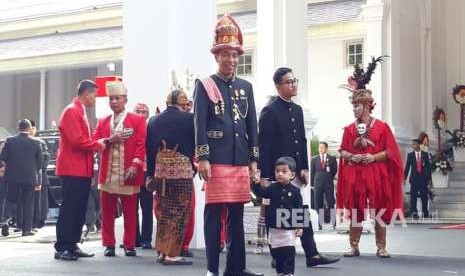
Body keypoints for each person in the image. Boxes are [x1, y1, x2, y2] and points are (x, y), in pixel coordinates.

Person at [194, 14, 263, 276]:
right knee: (214, 215)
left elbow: (252, 126)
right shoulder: (205, 85)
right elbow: (199, 124)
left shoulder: (246, 86)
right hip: (216, 160)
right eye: (226, 54)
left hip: (239, 160)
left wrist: (254, 160)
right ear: (217, 56)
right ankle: (212, 268)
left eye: (235, 54)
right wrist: (202, 158)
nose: (231, 59)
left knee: (236, 216)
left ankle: (236, 268)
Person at [258, 67, 339, 267]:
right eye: (289, 82)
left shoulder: (298, 109)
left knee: (299, 212)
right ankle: (278, 256)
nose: (294, 84)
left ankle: (312, 254)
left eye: (295, 80)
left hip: (294, 172)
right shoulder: (270, 111)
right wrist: (266, 175)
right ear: (278, 86)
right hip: (277, 174)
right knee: (275, 213)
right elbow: (264, 145)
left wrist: (303, 167)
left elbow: (301, 140)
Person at [337, 57, 404, 258]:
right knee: (356, 210)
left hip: (376, 173)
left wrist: (373, 157)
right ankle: (354, 245)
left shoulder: (382, 127)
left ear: (367, 105)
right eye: (353, 106)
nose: (354, 109)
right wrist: (351, 156)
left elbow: (391, 152)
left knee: (380, 209)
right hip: (355, 175)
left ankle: (381, 246)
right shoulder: (349, 129)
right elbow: (342, 151)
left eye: (357, 106)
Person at [54, 80, 106, 261]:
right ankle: (62, 246)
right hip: (72, 168)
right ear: (86, 94)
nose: (95, 98)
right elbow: (77, 141)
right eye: (94, 95)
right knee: (70, 207)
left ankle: (72, 243)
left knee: (79, 208)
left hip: (81, 168)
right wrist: (99, 144)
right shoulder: (71, 111)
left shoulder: (79, 111)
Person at [94, 80, 146, 257]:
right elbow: (95, 143)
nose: (113, 102)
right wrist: (109, 140)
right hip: (107, 175)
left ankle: (129, 244)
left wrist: (135, 165)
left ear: (125, 99)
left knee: (130, 213)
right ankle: (109, 244)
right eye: (111, 99)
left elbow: (141, 144)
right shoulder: (102, 122)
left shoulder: (137, 120)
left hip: (127, 173)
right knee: (107, 212)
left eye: (117, 98)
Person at [146, 88, 195, 265]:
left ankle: (161, 251)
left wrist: (150, 175)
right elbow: (195, 146)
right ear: (183, 104)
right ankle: (172, 254)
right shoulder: (190, 119)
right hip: (181, 173)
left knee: (164, 213)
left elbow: (149, 151)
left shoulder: (153, 120)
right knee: (180, 213)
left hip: (160, 173)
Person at [253, 157, 303, 276]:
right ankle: (280, 271)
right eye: (277, 171)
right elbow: (261, 193)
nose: (280, 174)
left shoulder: (295, 191)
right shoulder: (271, 188)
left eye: (284, 171)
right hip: (274, 227)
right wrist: (256, 183)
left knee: (289, 250)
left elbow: (299, 208)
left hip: (289, 228)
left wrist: (300, 226)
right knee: (276, 251)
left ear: (292, 174)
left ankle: (289, 272)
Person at [0, 119, 42, 236]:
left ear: (18, 128)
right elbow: (40, 162)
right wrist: (33, 171)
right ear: (29, 129)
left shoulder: (9, 141)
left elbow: (3, 158)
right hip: (29, 177)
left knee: (10, 199)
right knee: (28, 202)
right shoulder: (36, 142)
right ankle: (26, 230)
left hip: (12, 176)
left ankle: (5, 220)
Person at [133, 103, 153, 249]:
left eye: (143, 112)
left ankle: (146, 239)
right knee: (132, 207)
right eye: (138, 111)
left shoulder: (151, 129)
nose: (140, 114)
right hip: (133, 171)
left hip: (147, 171)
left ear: (147, 114)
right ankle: (134, 238)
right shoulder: (129, 129)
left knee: (147, 208)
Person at [29, 120, 51, 229]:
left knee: (41, 201)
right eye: (30, 128)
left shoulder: (41, 142)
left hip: (40, 176)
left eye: (33, 128)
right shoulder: (24, 142)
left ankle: (40, 220)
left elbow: (46, 160)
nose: (31, 130)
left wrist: (37, 168)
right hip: (28, 177)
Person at [311, 141, 337, 229]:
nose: (320, 149)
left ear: (326, 148)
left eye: (322, 147)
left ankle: (333, 223)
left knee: (330, 202)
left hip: (328, 183)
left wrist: (328, 178)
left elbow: (334, 171)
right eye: (319, 147)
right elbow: (312, 172)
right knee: (318, 203)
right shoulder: (314, 159)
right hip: (317, 183)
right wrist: (312, 184)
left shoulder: (332, 159)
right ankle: (320, 224)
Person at [404, 139, 432, 219]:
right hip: (414, 180)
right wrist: (404, 178)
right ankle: (414, 212)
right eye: (412, 144)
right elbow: (407, 168)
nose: (412, 146)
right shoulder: (410, 155)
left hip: (423, 180)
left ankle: (425, 212)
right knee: (413, 197)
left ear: (419, 145)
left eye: (414, 144)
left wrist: (429, 179)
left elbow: (428, 168)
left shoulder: (425, 155)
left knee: (424, 197)